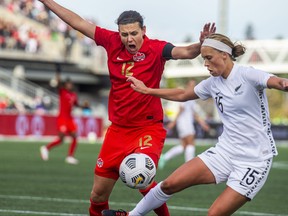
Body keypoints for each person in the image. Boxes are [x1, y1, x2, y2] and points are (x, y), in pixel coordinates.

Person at [38, 1, 216, 215]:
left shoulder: (157, 48)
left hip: (147, 129)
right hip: (117, 131)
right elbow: (77, 22)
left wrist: (200, 44)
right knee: (97, 196)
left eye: (133, 33)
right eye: (124, 34)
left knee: (143, 180)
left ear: (143, 31)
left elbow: (186, 52)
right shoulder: (111, 41)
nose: (129, 39)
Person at [103, 33, 288, 216]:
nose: (206, 64)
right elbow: (183, 94)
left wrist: (284, 83)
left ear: (224, 54)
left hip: (254, 161)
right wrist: (147, 90)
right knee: (168, 184)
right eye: (203, 59)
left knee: (214, 213)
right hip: (225, 152)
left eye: (209, 58)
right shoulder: (212, 83)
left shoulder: (247, 74)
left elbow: (276, 81)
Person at [159, 80, 210, 169]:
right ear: (187, 86)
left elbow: (194, 114)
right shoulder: (186, 96)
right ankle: (189, 166)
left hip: (185, 124)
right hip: (185, 124)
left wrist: (202, 123)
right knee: (190, 144)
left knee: (184, 146)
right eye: (191, 85)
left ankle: (165, 157)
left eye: (194, 85)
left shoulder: (191, 98)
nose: (193, 87)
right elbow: (180, 110)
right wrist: (173, 123)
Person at [40, 64, 80, 165]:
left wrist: (84, 106)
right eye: (68, 84)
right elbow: (58, 83)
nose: (70, 85)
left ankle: (70, 157)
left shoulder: (73, 95)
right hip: (62, 118)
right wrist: (58, 73)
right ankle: (46, 148)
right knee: (61, 138)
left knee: (75, 136)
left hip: (69, 118)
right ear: (65, 85)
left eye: (71, 84)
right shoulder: (62, 91)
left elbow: (76, 105)